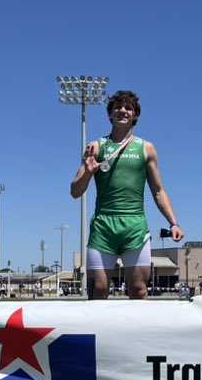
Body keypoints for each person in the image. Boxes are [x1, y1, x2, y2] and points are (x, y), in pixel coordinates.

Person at [71, 90, 183, 299]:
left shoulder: (146, 148)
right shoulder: (95, 147)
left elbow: (158, 190)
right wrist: (87, 172)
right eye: (118, 107)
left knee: (139, 290)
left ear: (135, 115)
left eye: (128, 107)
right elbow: (75, 192)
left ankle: (140, 332)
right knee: (100, 289)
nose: (123, 110)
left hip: (135, 225)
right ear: (110, 113)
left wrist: (173, 222)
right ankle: (99, 331)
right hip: (104, 225)